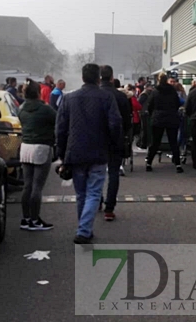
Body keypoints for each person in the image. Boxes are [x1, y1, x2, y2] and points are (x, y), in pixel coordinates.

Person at [56, 63, 123, 244]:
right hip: (98, 151)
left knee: (81, 194)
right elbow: (115, 124)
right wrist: (115, 145)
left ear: (82, 77)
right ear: (98, 78)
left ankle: (84, 228)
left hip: (75, 151)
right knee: (94, 192)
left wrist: (61, 154)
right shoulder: (106, 98)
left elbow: (60, 129)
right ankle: (84, 230)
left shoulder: (69, 99)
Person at [15, 80, 57, 231]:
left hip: (25, 147)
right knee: (37, 187)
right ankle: (35, 219)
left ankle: (26, 218)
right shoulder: (46, 110)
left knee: (27, 185)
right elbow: (57, 121)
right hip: (41, 147)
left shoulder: (21, 109)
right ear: (39, 92)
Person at [99, 65, 132, 222]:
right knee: (113, 173)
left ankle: (96, 199)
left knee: (96, 173)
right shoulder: (120, 97)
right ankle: (109, 208)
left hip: (96, 139)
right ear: (112, 78)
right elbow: (127, 120)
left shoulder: (94, 95)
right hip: (116, 139)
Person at [146, 72, 184, 173]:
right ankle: (178, 164)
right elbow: (177, 104)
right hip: (171, 117)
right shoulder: (172, 91)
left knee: (155, 142)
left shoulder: (155, 91)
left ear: (158, 80)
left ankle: (149, 162)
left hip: (158, 118)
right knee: (173, 142)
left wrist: (153, 114)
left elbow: (150, 105)